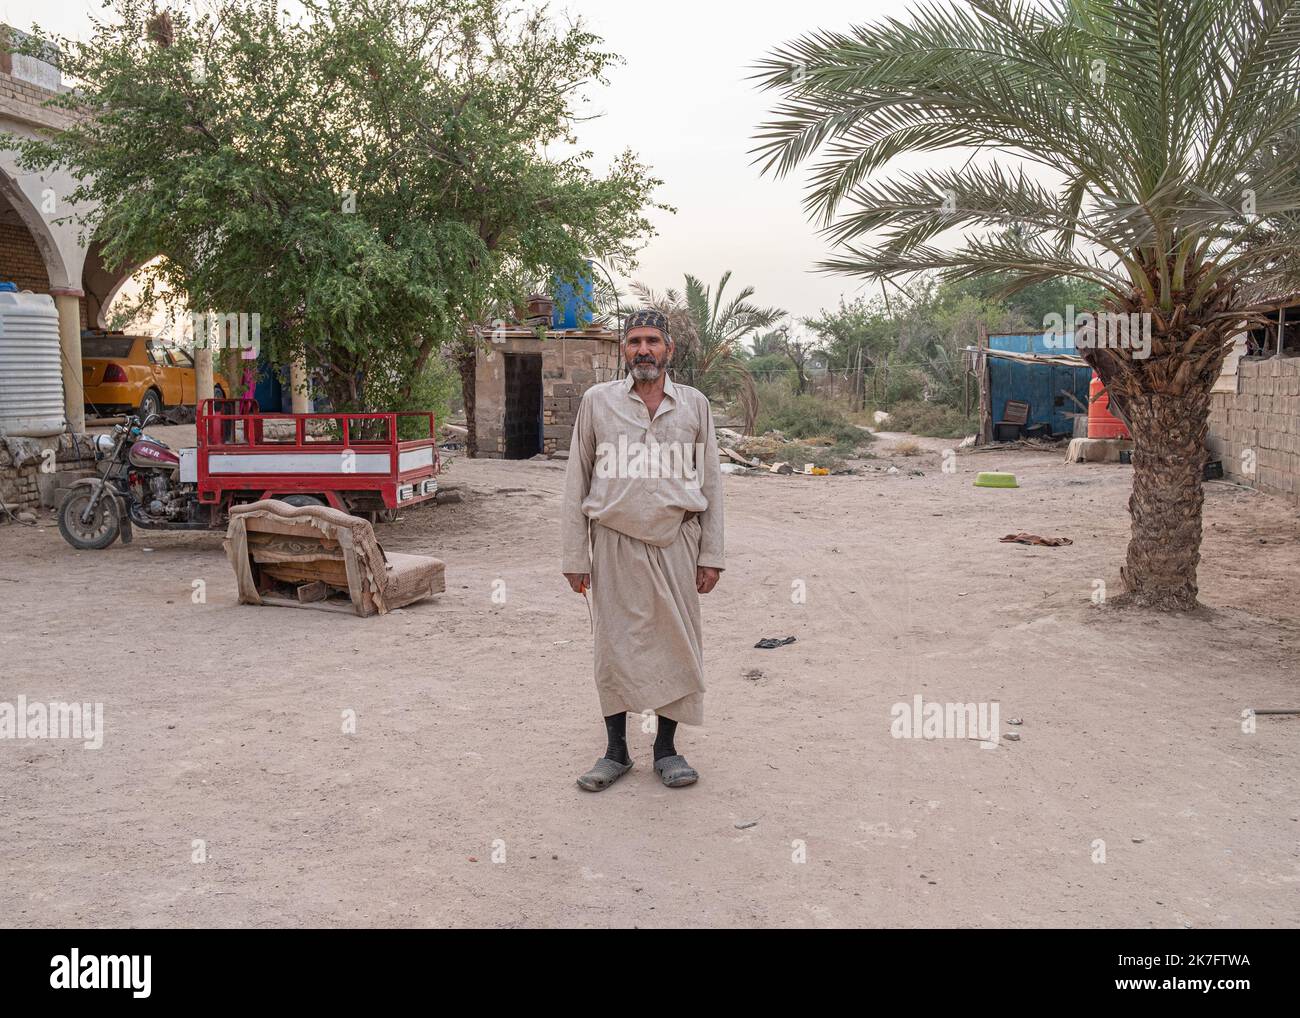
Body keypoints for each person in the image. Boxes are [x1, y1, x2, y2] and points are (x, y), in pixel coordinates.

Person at [561, 308, 725, 791]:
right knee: (614, 646)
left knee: (675, 644)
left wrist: (711, 554)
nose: (644, 350)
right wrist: (575, 556)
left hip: (677, 542)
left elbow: (711, 481)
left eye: (653, 341)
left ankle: (667, 751)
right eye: (634, 341)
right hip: (612, 542)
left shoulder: (695, 405)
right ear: (623, 350)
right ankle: (615, 753)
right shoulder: (597, 402)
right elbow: (577, 480)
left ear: (669, 350)